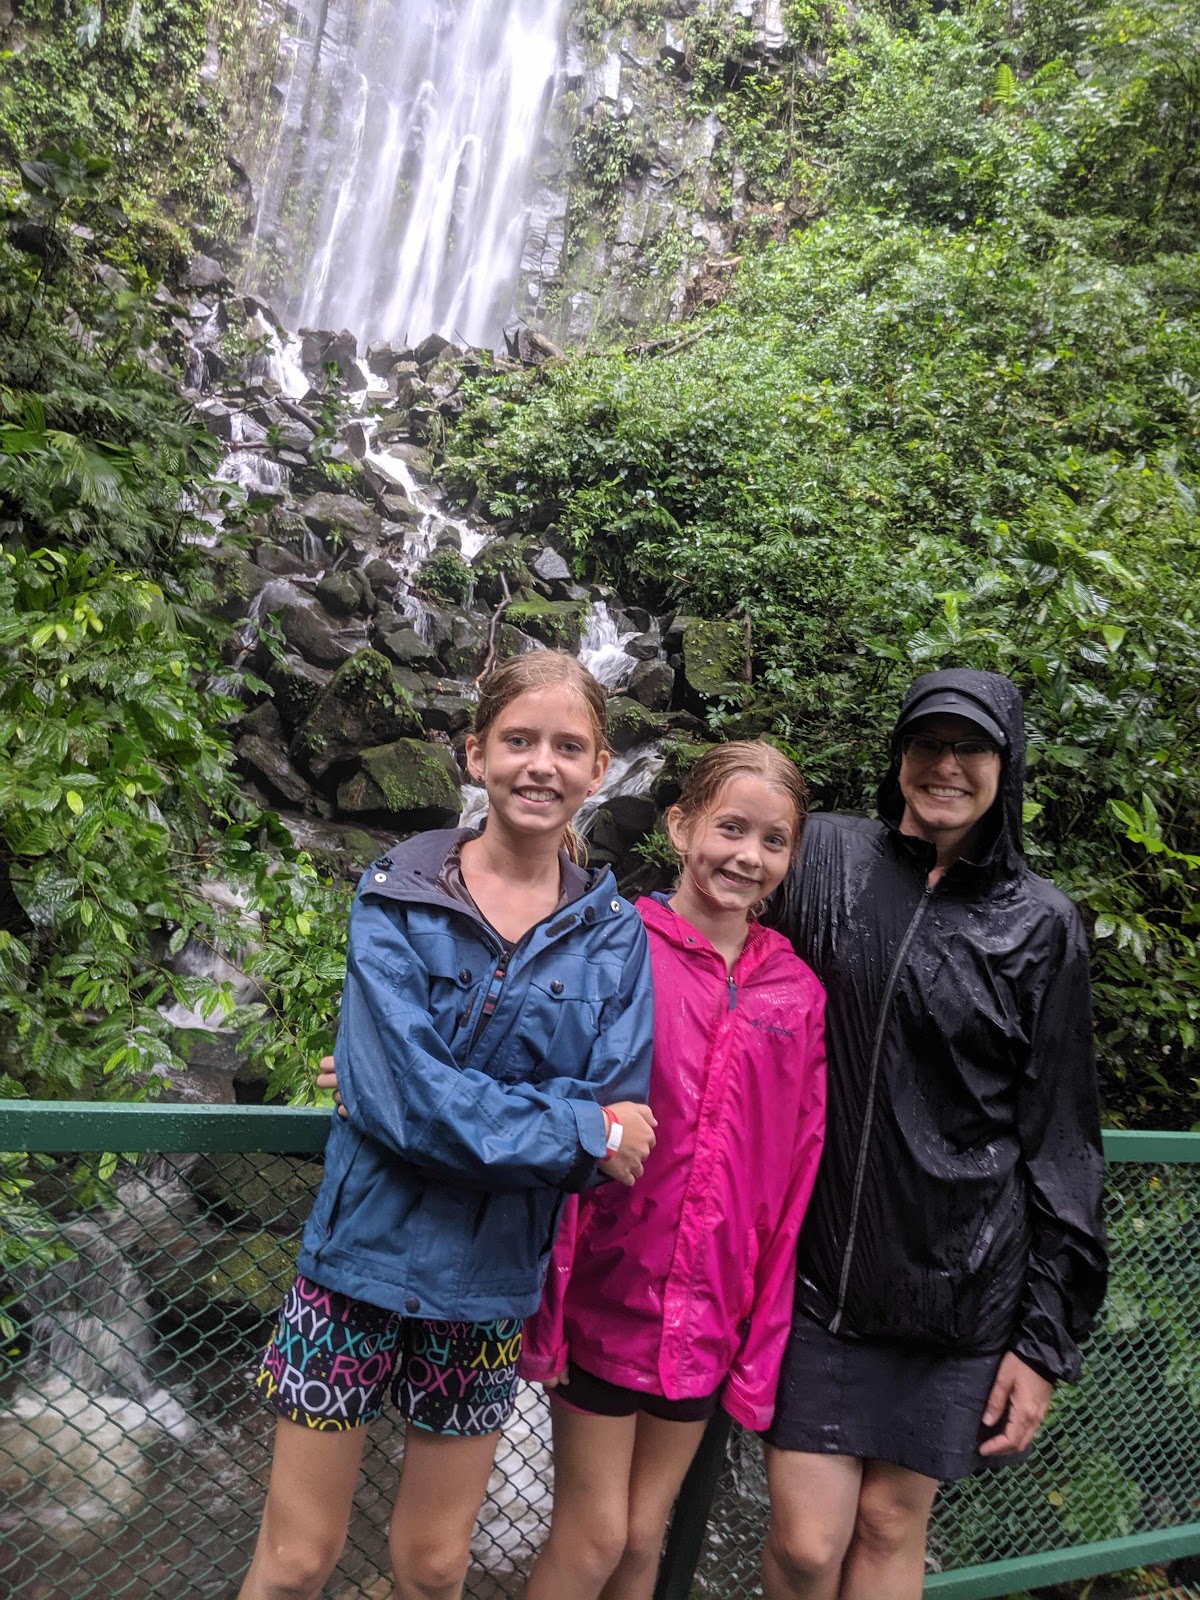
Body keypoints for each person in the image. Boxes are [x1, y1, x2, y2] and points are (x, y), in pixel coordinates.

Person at [238, 652, 658, 1600]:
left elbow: (619, 1121)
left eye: (568, 747)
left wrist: (570, 1131)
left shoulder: (616, 936)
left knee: (433, 1568)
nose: (541, 764)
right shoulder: (396, 891)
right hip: (354, 1267)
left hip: (487, 1290)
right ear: (476, 755)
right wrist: (577, 1129)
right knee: (296, 1562)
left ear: (600, 769)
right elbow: (417, 1103)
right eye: (519, 740)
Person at [761, 667, 1108, 1600]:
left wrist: (1041, 1343)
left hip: (962, 1291)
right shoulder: (827, 856)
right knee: (805, 1542)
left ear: (1007, 764)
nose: (945, 765)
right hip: (821, 1275)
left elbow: (1062, 1139)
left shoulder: (1042, 924)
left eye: (970, 747)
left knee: (888, 1523)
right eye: (927, 743)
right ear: (900, 756)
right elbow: (703, 933)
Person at [521, 740, 828, 1600]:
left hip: (713, 1314)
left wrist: (759, 1341)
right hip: (605, 1292)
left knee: (643, 1536)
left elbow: (796, 1172)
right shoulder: (616, 944)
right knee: (592, 1537)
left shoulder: (797, 995)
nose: (747, 856)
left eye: (772, 840)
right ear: (682, 825)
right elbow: (539, 1077)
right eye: (730, 828)